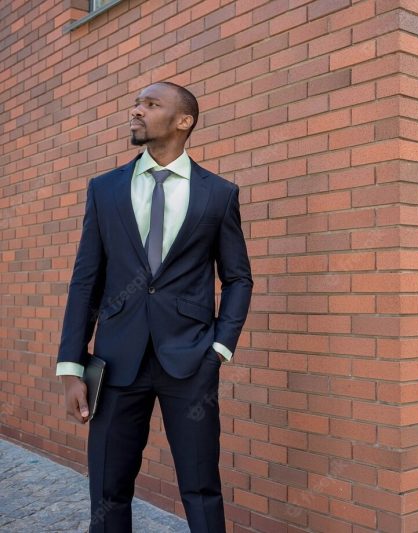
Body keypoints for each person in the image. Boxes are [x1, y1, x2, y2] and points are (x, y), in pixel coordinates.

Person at [57, 81, 253, 532]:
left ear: (184, 121)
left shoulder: (218, 194)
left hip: (191, 361)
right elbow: (86, 278)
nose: (136, 110)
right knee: (108, 489)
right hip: (115, 361)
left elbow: (238, 278)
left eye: (150, 104)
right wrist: (71, 364)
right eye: (136, 103)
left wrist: (219, 349)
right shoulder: (104, 189)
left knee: (202, 487)